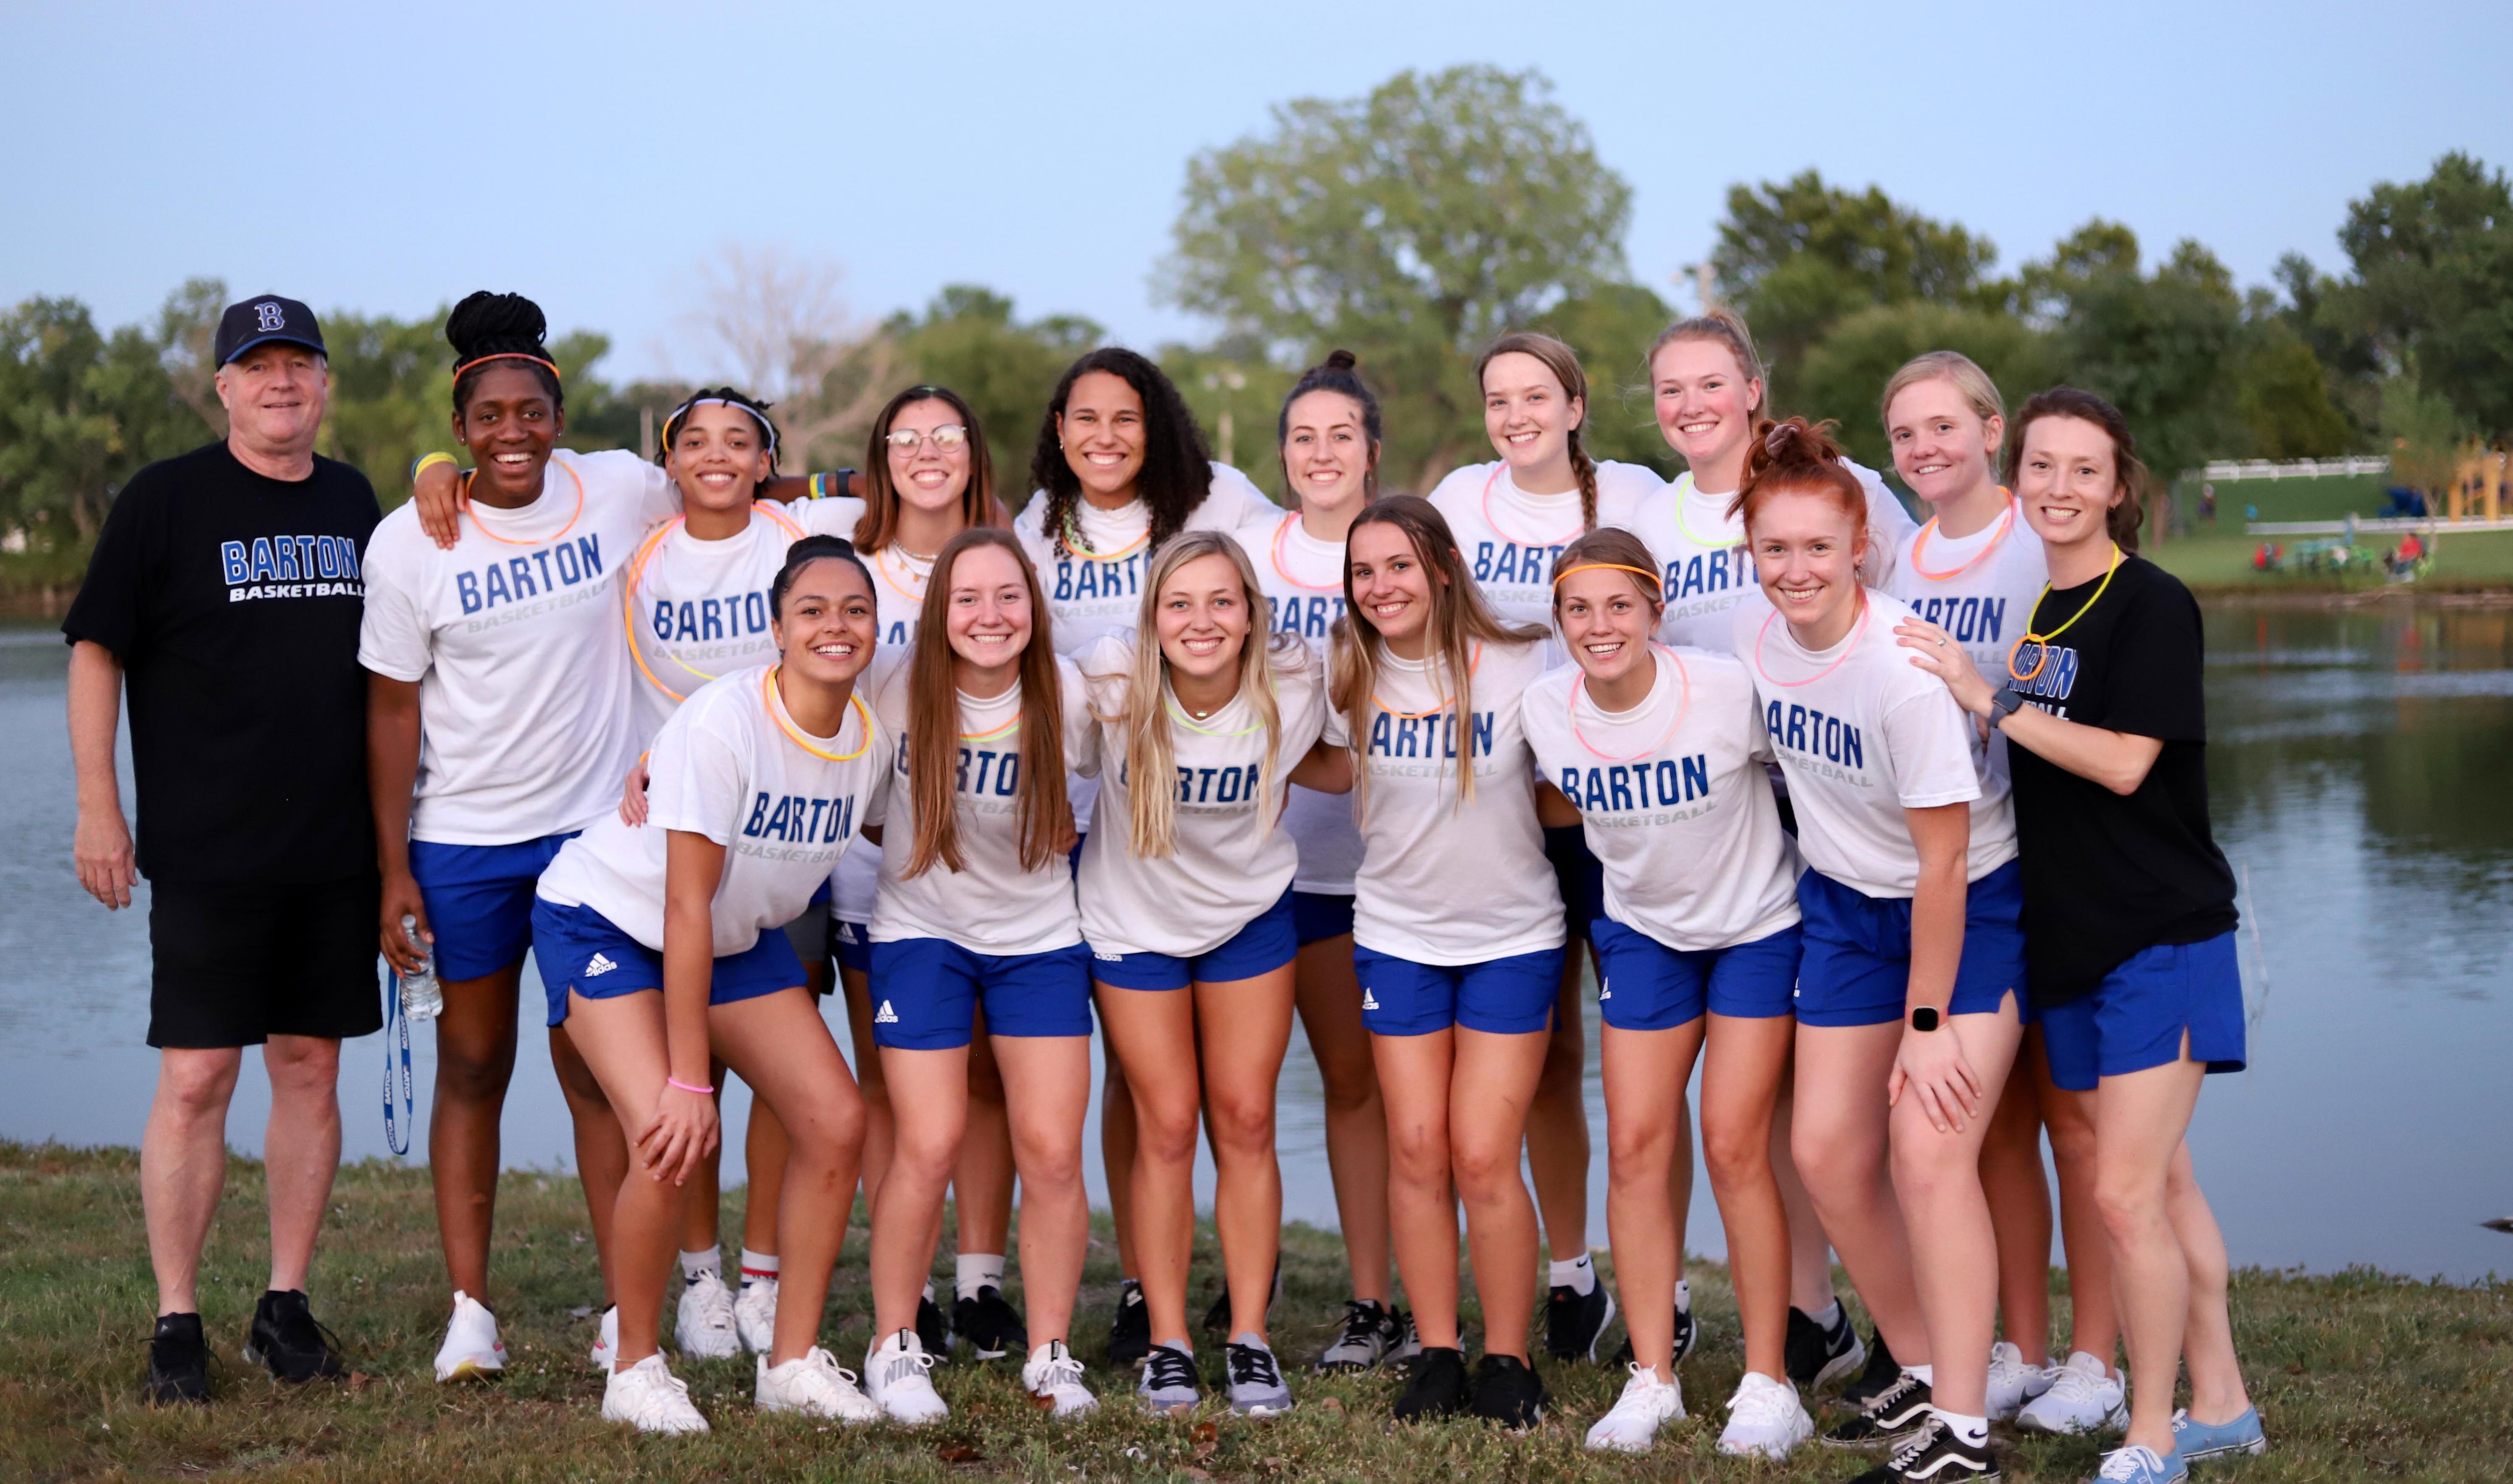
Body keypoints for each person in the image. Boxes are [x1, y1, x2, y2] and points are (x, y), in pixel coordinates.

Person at [1898, 389, 2264, 1484]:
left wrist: (1987, 699)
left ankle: (2151, 1436)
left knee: (2119, 1194)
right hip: (2069, 945)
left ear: (2118, 487)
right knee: (2168, 1187)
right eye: (2042, 467)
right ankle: (2224, 1404)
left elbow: (2123, 763)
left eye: (2083, 471)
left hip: (2163, 936)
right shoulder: (2039, 620)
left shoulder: (2147, 604)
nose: (2059, 489)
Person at [361, 292, 682, 1383]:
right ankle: (471, 1313)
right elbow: (393, 708)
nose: (512, 433)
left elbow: (738, 485)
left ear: (559, 413)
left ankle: (615, 1305)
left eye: (530, 412)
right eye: (489, 416)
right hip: (465, 842)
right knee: (474, 1061)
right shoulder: (412, 540)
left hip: (593, 839)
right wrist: (393, 863)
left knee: (594, 1069)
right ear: (460, 430)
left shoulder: (618, 489)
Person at [67, 294, 378, 1404]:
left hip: (335, 848)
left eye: (300, 365)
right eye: (259, 368)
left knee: (310, 1068)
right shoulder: (166, 500)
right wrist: (101, 808)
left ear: (323, 385)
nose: (282, 384)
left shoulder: (353, 502)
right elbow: (96, 651)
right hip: (207, 850)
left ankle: (284, 1308)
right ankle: (177, 1320)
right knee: (197, 1077)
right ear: (225, 388)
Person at [529, 535, 886, 1432]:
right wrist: (691, 1080)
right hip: (611, 919)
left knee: (837, 1119)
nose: (834, 627)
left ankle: (793, 1359)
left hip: (735, 936)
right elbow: (682, 907)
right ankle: (636, 1367)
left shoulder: (870, 739)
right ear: (776, 628)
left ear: (877, 626)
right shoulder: (726, 722)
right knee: (669, 1130)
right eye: (812, 610)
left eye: (854, 610)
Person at [1629, 308, 1919, 1403]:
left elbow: (1894, 631)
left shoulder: (1830, 488)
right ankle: (1811, 1315)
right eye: (1669, 390)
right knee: (1776, 1108)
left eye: (1710, 384)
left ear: (1752, 388)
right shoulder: (1651, 520)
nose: (1691, 406)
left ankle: (1915, 1331)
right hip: (1728, 833)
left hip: (1846, 815)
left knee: (1845, 1104)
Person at [1729, 419, 2025, 1484]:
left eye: (1818, 548)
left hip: (1962, 909)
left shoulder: (1900, 671)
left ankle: (1963, 1433)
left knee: (1930, 1149)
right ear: (1750, 552)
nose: (1796, 569)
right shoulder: (1759, 646)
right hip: (1846, 913)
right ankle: (1926, 1366)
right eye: (1776, 550)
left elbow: (1945, 867)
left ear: (1860, 544)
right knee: (1823, 1155)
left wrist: (1931, 1024)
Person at [1520, 530, 1814, 1458]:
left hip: (1757, 928)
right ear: (1559, 619)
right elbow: (1553, 804)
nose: (1599, 626)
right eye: (1579, 609)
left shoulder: (1725, 689)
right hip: (1645, 933)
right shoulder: (1545, 708)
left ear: (1654, 610)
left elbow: (1808, 778)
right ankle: (1654, 1376)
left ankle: (1771, 1383)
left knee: (1733, 1143)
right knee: (1639, 1143)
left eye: (1618, 606)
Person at [1009, 347, 1277, 1363]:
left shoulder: (1219, 499)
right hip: (1089, 826)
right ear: (1060, 428)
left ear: (1157, 424)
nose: (1106, 437)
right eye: (1085, 419)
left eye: (1126, 417)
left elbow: (1291, 589)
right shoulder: (1039, 526)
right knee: (1140, 1085)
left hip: (1211, 815)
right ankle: (1141, 1284)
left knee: (1232, 1104)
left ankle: (1245, 1286)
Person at [1423, 332, 1665, 1366]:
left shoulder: (1634, 495)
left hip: (1615, 824)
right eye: (1498, 398)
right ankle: (1574, 1275)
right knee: (1550, 1055)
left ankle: (1666, 1283)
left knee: (1640, 1063)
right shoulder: (1461, 499)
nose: (1516, 414)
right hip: (1506, 823)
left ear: (1575, 404)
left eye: (1537, 395)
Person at [612, 387, 864, 1361]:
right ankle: (699, 1279)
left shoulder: (802, 529)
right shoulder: (637, 542)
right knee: (692, 1062)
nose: (716, 457)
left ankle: (761, 1275)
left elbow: (906, 493)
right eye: (696, 443)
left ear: (768, 460)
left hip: (779, 842)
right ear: (667, 463)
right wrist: (434, 473)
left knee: (775, 1058)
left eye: (740, 443)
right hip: (676, 831)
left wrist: (814, 477)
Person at [1879, 353, 2103, 1426]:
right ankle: (2023, 1346)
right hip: (1980, 858)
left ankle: (2098, 1362)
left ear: (1989, 428)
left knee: (2080, 1118)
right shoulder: (1902, 558)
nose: (1926, 450)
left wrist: (1991, 694)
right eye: (1905, 435)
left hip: (2070, 851)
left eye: (1944, 427)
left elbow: (2084, 686)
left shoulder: (2040, 537)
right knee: (1999, 1125)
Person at [1307, 496, 1560, 1427]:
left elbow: (1574, 768)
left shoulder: (1526, 660)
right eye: (1364, 573)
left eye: (1399, 567)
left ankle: (1508, 1357)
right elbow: (1333, 765)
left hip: (1511, 936)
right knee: (1416, 1149)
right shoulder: (1349, 668)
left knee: (1484, 1151)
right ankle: (1440, 1351)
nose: (1381, 588)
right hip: (1397, 934)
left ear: (1443, 567)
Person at [1076, 530, 1329, 1415]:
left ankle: (1251, 1338)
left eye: (1223, 601)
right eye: (1180, 603)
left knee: (1249, 1117)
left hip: (1250, 917)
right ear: (1152, 618)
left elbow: (1402, 699)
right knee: (1169, 1124)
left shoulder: (1294, 681)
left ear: (1254, 613)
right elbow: (1007, 718)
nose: (1202, 620)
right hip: (1133, 924)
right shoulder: (1112, 682)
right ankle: (1170, 1342)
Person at [860, 527, 1100, 1422]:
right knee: (928, 1141)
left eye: (1009, 596)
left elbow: (1148, 760)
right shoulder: (894, 688)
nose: (989, 615)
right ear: (939, 612)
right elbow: (849, 786)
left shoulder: (1070, 695)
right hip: (922, 931)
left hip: (1040, 937)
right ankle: (894, 1345)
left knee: (1050, 1148)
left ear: (1034, 609)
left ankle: (1050, 1351)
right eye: (968, 598)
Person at [822, 385, 1022, 1364]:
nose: (929, 451)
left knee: (986, 1076)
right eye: (907, 437)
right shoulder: (851, 563)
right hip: (878, 867)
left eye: (950, 433)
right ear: (880, 456)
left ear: (975, 450)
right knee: (888, 1085)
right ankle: (907, 1297)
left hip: (1001, 879)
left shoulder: (1010, 559)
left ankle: (980, 1281)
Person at [1226, 351, 1410, 1374]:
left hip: (1365, 868)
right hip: (1248, 867)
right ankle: (1236, 1280)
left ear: (1371, 452)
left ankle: (1378, 1300)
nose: (1322, 452)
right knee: (1237, 1096)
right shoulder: (1250, 552)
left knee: (1355, 1084)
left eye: (1342, 435)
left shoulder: (1407, 545)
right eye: (1303, 436)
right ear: (1284, 455)